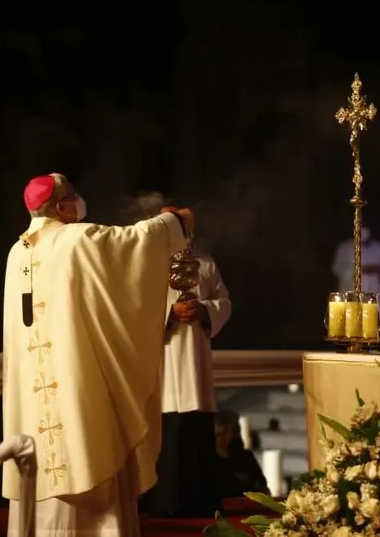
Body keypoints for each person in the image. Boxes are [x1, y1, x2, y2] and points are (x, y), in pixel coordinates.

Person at [1, 173, 193, 536]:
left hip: (33, 395)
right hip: (75, 383)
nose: (79, 201)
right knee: (86, 452)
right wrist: (175, 222)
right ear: (61, 206)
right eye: (74, 196)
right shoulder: (74, 239)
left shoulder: (17, 251)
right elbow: (132, 245)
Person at [131, 193, 233, 519]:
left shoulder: (204, 261)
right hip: (161, 355)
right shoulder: (145, 262)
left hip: (194, 357)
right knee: (163, 430)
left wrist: (204, 310)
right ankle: (160, 502)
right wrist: (169, 312)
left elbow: (224, 301)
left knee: (194, 428)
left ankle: (198, 502)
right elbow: (133, 305)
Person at [331, 223, 380, 308]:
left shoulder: (378, 247)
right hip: (351, 292)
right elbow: (337, 269)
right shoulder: (345, 248)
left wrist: (377, 270)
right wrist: (357, 270)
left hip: (373, 292)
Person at [213, 411, 268, 498]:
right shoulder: (206, 459)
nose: (228, 436)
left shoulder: (245, 457)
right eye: (220, 434)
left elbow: (262, 487)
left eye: (229, 431)